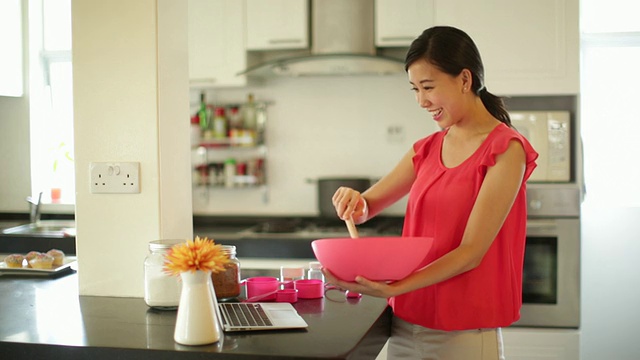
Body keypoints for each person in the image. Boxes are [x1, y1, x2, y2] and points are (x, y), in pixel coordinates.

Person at [326, 26, 539, 360]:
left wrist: (395, 286)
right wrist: (354, 201)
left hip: (464, 333)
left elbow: (471, 252)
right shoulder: (426, 149)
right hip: (406, 323)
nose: (421, 101)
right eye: (414, 89)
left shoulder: (506, 150)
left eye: (428, 87)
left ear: (465, 80)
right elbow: (367, 206)